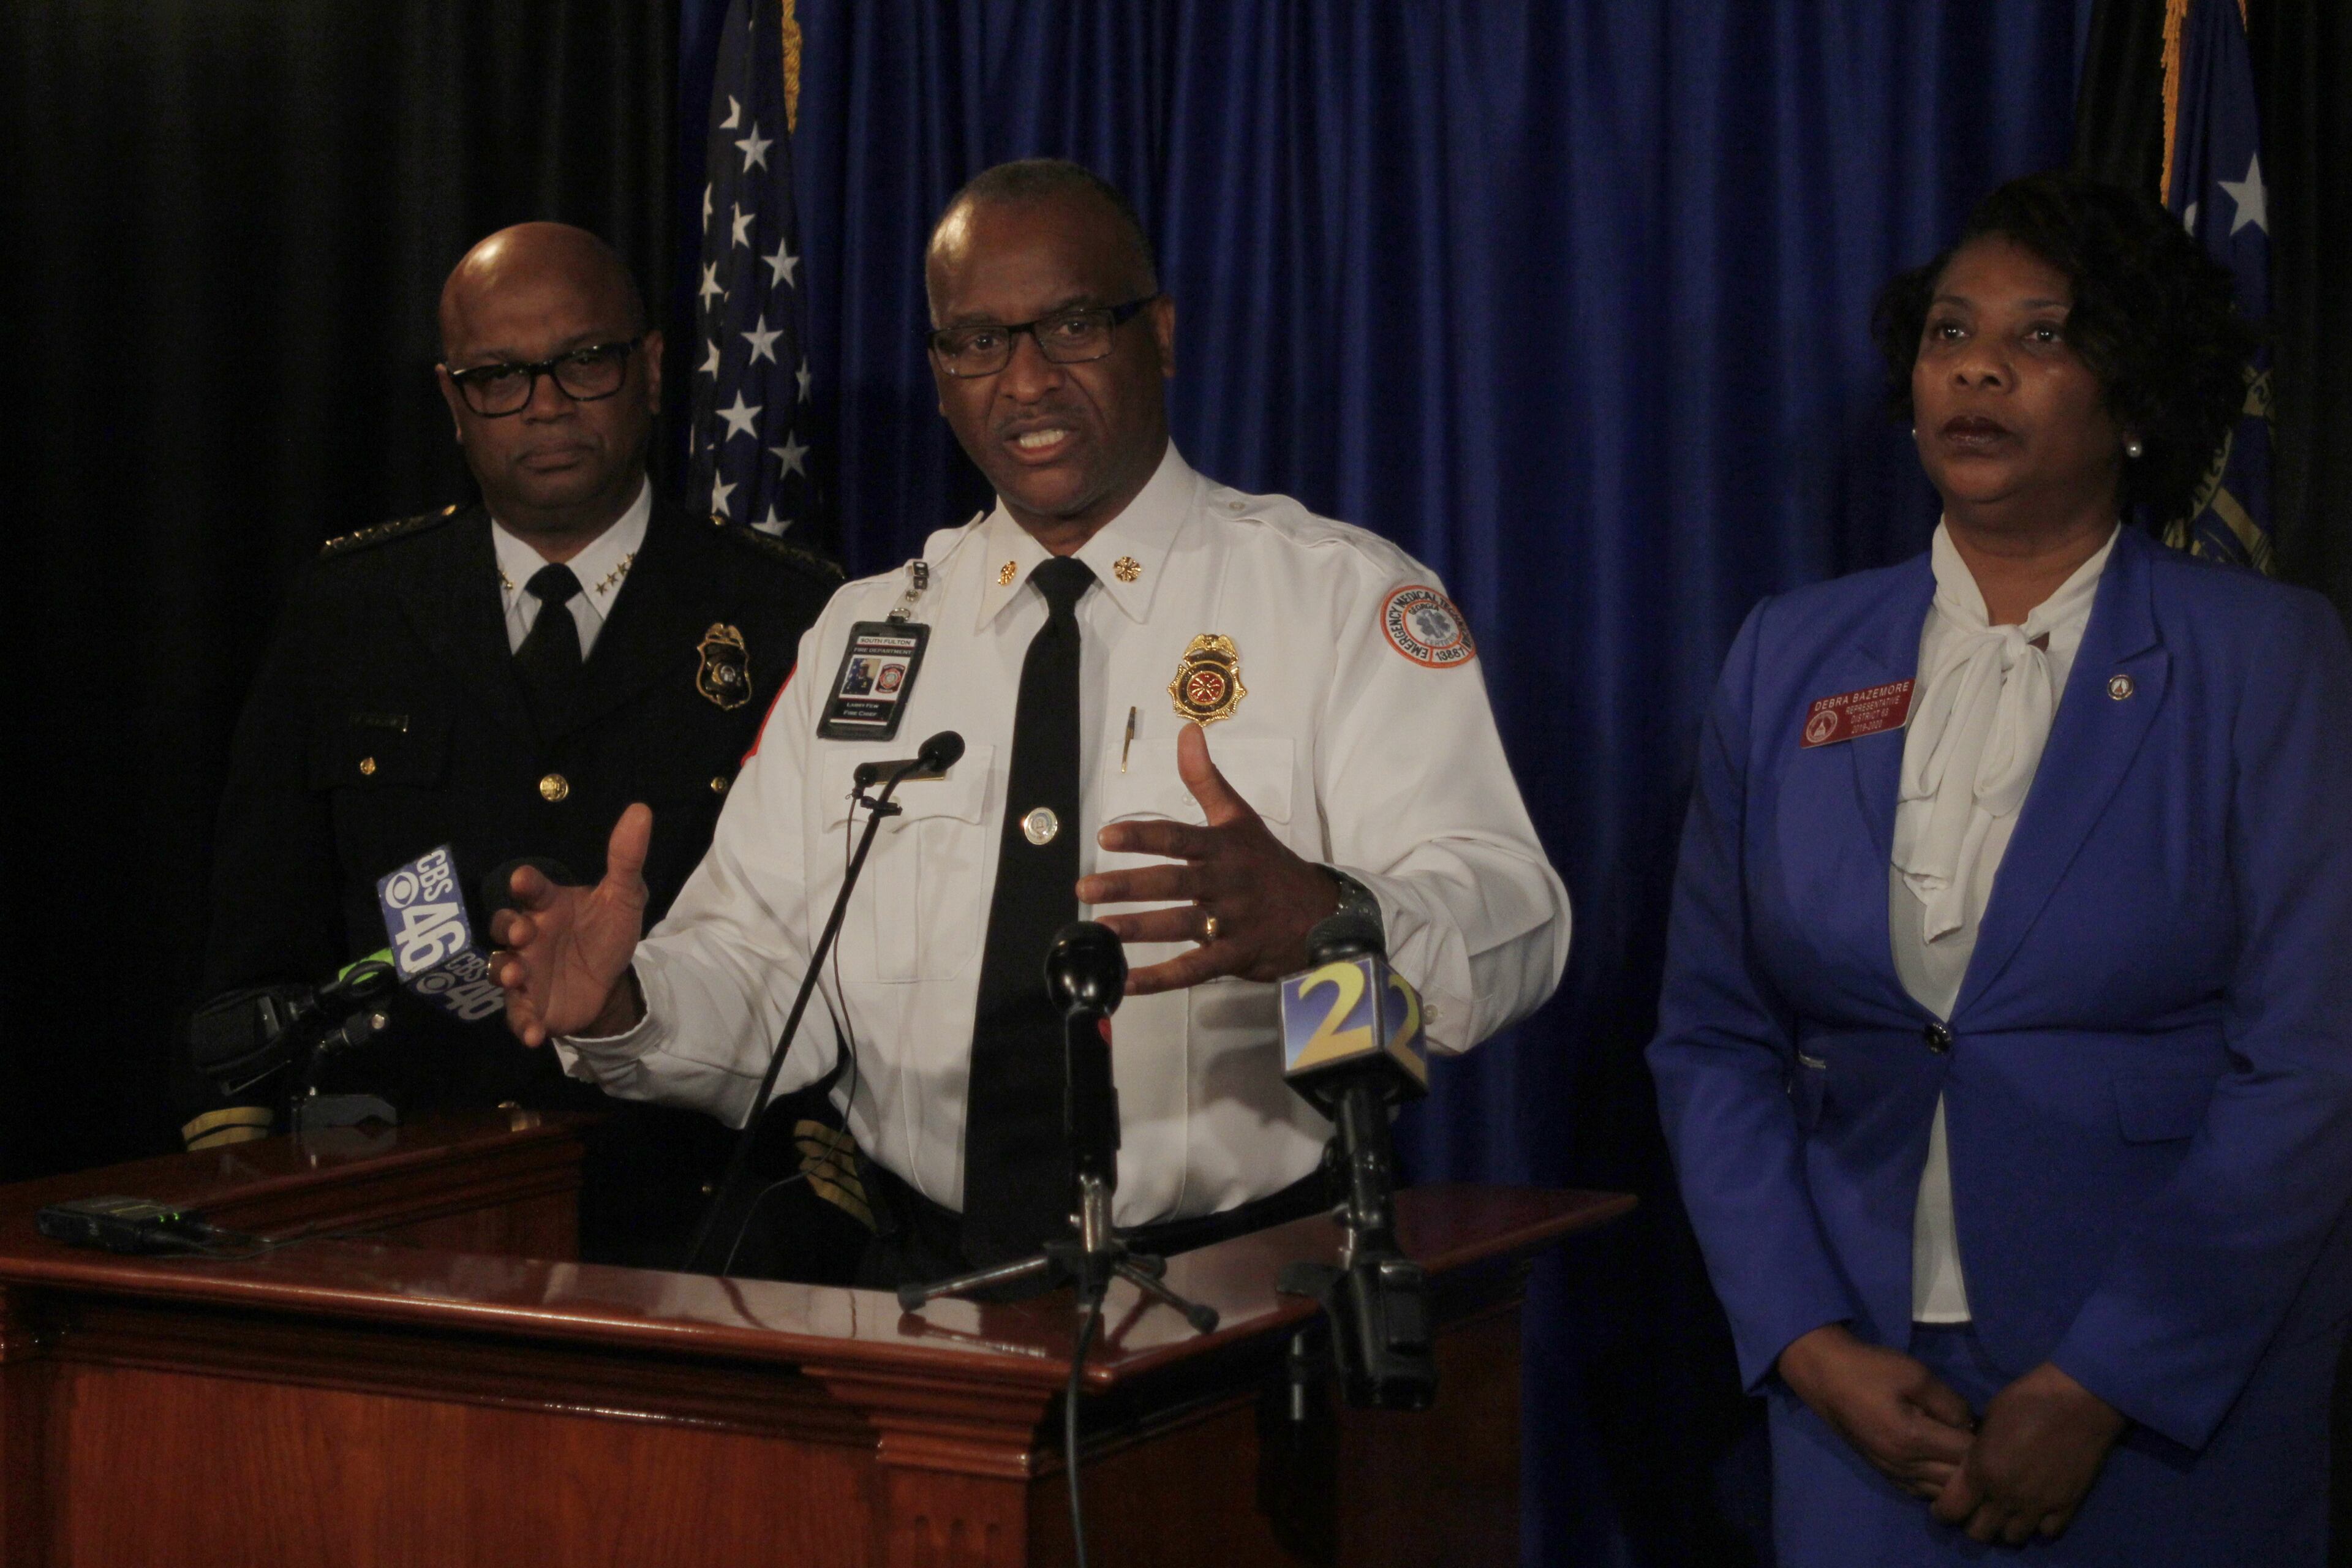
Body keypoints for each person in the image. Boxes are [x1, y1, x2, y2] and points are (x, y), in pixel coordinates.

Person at [489, 160, 1571, 1286]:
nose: (1026, 379)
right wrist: (626, 1004)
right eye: (977, 341)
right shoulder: (867, 633)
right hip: (925, 1290)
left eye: (1072, 325)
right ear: (939, 374)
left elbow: (1517, 916)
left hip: (1249, 1283)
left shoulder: (1334, 598)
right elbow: (769, 978)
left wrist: (1336, 920)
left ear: (1160, 333)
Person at [1649, 170, 2352, 1565]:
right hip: (1860, 1392)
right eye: (1951, 332)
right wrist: (1804, 1342)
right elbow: (1712, 1038)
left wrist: (2106, 1381)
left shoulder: (2264, 656)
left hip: (2165, 1394)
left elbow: (2313, 1061)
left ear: (2137, 401)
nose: (1978, 367)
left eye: (2042, 336)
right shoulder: (1788, 651)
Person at [187, 222, 842, 1268]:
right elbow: (259, 941)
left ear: (652, 369)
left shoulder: (791, 617)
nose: (545, 404)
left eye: (585, 360)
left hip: (694, 1217)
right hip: (395, 1200)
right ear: (453, 402)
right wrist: (246, 1174)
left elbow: (829, 956)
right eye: (498, 376)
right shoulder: (351, 609)